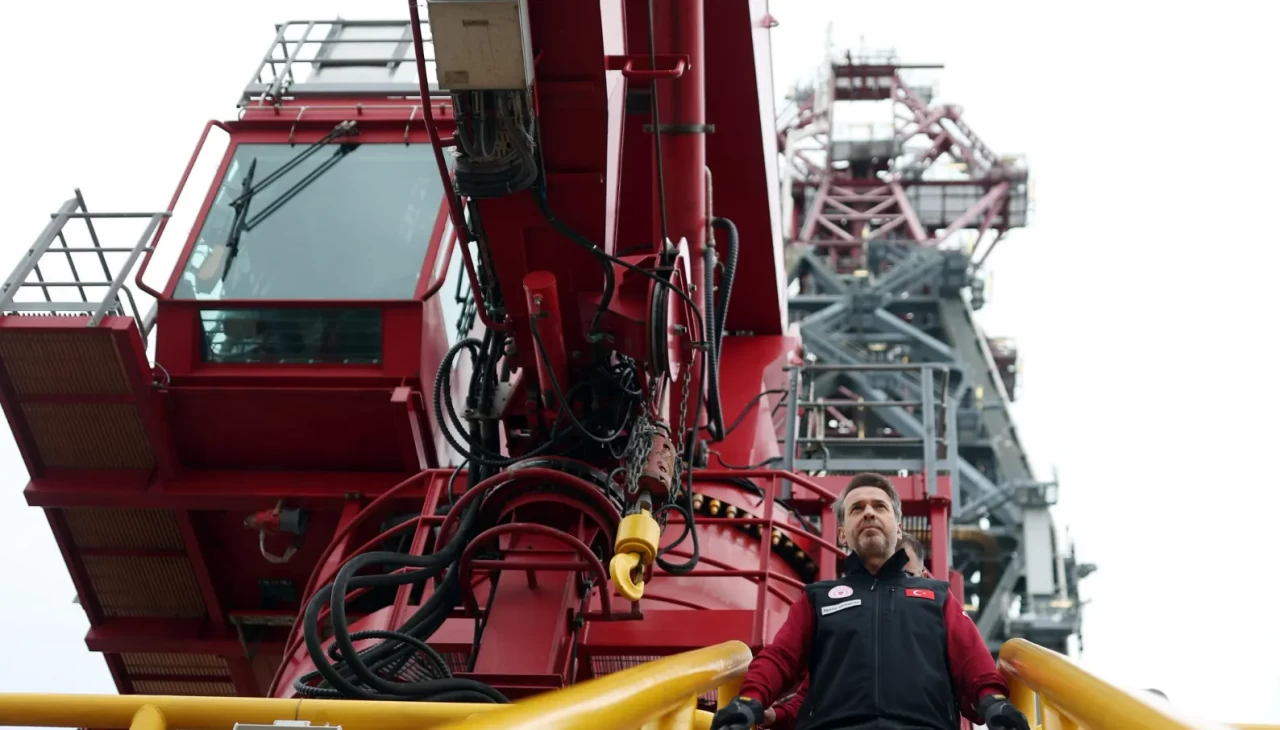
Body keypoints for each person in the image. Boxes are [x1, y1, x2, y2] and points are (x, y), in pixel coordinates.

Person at [711, 473, 1030, 730]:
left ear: (898, 526)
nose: (868, 512)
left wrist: (994, 702)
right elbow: (781, 659)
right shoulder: (817, 600)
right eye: (856, 508)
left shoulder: (937, 597)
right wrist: (750, 700)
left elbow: (972, 662)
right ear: (842, 535)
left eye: (880, 506)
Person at [762, 533, 930, 729]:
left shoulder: (939, 625)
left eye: (906, 574)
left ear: (924, 577)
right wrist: (775, 715)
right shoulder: (847, 632)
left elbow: (971, 681)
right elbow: (813, 698)